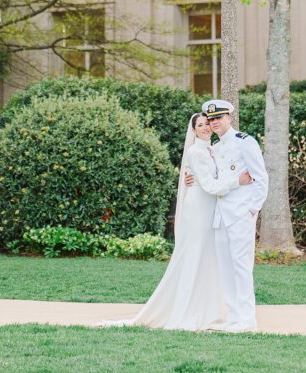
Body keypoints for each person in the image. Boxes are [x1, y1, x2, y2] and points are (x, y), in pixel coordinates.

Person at [104, 111, 253, 331]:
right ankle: (186, 312)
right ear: (193, 130)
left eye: (207, 123)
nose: (205, 127)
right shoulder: (196, 152)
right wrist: (238, 181)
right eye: (200, 125)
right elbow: (211, 186)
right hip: (199, 211)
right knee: (193, 258)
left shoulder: (214, 150)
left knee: (207, 259)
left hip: (210, 209)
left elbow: (213, 178)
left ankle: (207, 311)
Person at [185, 99, 268, 333]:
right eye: (211, 119)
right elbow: (212, 180)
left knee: (241, 267)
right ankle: (233, 317)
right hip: (220, 215)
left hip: (240, 214)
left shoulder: (244, 142)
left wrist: (252, 210)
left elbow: (261, 178)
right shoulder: (216, 147)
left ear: (229, 118)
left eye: (219, 118)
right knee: (226, 267)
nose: (214, 123)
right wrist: (191, 179)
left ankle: (247, 319)